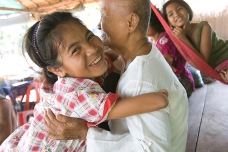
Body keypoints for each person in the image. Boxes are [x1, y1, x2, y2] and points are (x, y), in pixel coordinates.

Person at [0, 12, 169, 151]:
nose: (92, 48)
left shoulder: (71, 79)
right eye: (75, 50)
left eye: (89, 36)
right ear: (57, 69)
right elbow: (159, 101)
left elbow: (109, 55)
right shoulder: (79, 98)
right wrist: (159, 92)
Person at [44, 0, 189, 151]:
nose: (100, 25)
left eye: (104, 16)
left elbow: (153, 149)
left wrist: (85, 133)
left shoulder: (139, 83)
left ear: (131, 23)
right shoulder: (138, 56)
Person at [162, 0, 228, 83]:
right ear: (169, 22)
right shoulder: (176, 39)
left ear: (188, 11)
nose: (176, 14)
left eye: (179, 9)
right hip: (219, 68)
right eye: (171, 14)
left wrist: (184, 38)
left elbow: (204, 62)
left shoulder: (204, 27)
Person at [147, 6, 195, 97]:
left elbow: (166, 63)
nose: (141, 28)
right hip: (170, 80)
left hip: (181, 80)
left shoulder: (166, 39)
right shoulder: (151, 42)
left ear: (153, 22)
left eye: (145, 24)